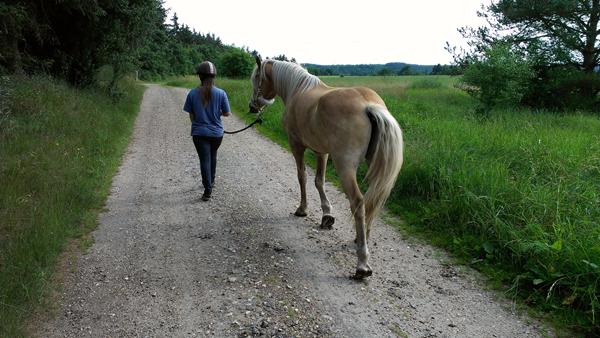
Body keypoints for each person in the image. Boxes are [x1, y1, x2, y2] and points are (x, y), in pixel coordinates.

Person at [183, 61, 231, 201]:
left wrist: (198, 123)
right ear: (213, 76)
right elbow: (227, 113)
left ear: (200, 77)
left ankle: (207, 190)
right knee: (213, 156)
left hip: (199, 133)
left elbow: (191, 114)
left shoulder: (192, 93)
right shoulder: (221, 93)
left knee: (204, 159)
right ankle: (212, 181)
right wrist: (217, 113)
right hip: (217, 134)